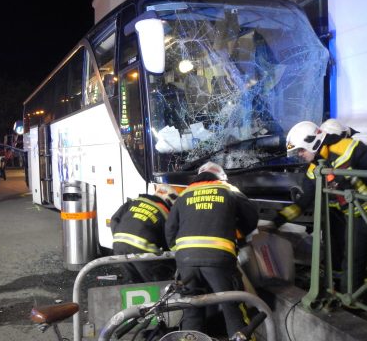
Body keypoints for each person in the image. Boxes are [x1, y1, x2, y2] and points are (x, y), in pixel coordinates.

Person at [273, 120, 367, 293]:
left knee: (354, 259)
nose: (300, 154)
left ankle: (352, 301)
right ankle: (346, 293)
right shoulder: (316, 166)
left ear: (312, 141)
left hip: (362, 213)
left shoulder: (348, 148)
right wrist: (278, 220)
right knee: (345, 256)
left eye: (301, 150)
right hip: (349, 215)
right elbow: (304, 199)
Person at [165, 162, 258, 336]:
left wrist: (181, 253)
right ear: (221, 177)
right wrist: (238, 235)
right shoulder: (227, 188)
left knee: (191, 310)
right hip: (219, 259)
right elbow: (251, 216)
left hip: (186, 262)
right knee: (233, 308)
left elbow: (170, 229)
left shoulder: (184, 194)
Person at [111, 184, 179, 283]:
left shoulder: (134, 202)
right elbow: (168, 241)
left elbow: (114, 220)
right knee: (156, 284)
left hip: (119, 246)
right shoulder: (164, 213)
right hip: (143, 251)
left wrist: (119, 237)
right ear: (169, 201)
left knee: (133, 282)